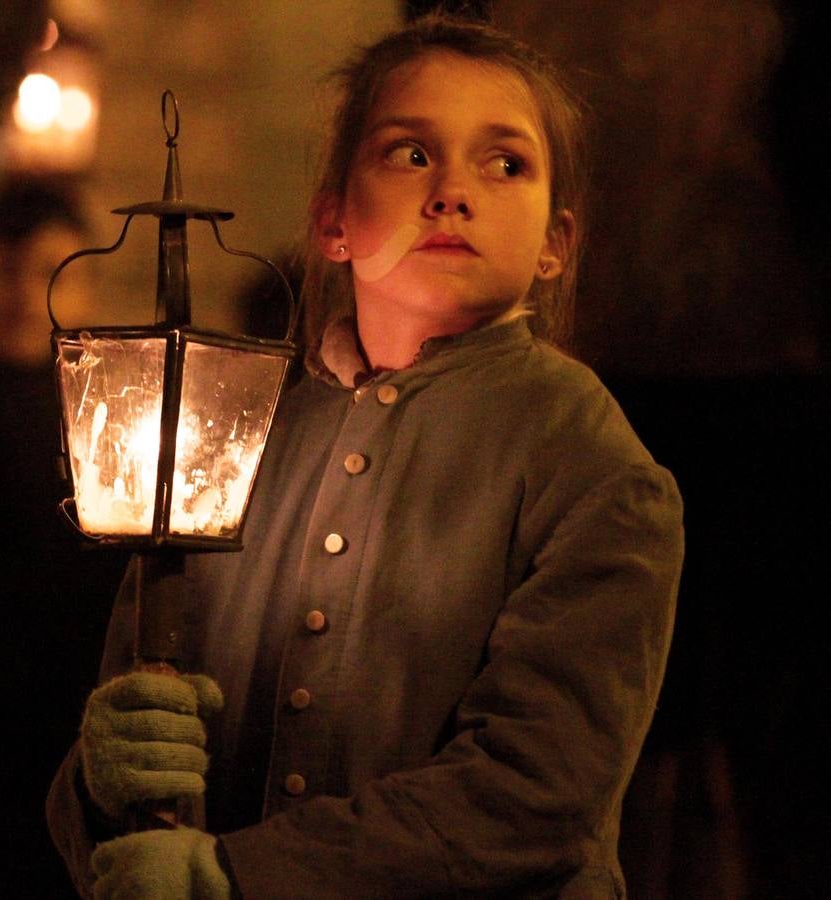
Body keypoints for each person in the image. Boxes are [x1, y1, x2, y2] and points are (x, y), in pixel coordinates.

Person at [47, 14, 684, 899]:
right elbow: (129, 765)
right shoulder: (230, 446)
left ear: (555, 243)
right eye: (410, 154)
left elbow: (535, 792)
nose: (452, 192)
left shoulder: (587, 462)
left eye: (505, 163)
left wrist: (240, 875)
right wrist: (101, 780)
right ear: (333, 220)